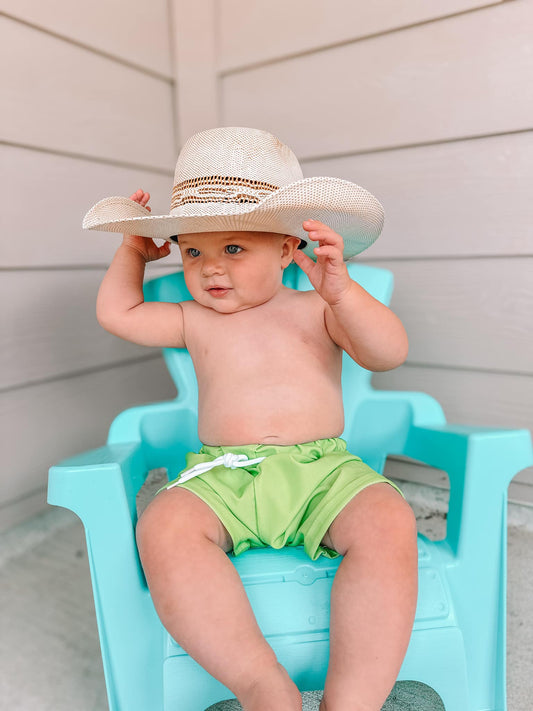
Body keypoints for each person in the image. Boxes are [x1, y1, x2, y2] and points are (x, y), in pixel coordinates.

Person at [87, 127, 418, 711]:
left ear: (289, 249)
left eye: (233, 249)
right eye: (194, 252)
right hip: (226, 475)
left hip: (324, 473)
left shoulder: (320, 308)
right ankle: (263, 688)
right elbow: (120, 313)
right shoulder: (193, 318)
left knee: (389, 521)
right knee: (163, 529)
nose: (211, 270)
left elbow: (387, 352)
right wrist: (132, 251)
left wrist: (345, 295)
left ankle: (354, 700)